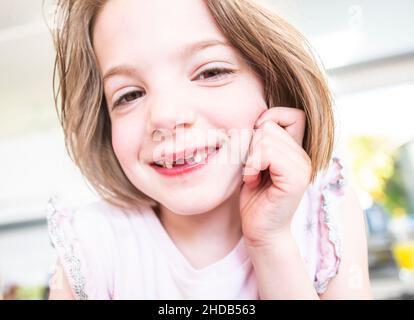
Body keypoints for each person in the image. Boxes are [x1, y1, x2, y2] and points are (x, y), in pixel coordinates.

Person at [46, 0, 372, 299]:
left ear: (273, 85)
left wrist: (271, 244)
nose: (165, 116)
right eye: (129, 95)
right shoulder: (93, 243)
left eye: (210, 72)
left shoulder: (324, 212)